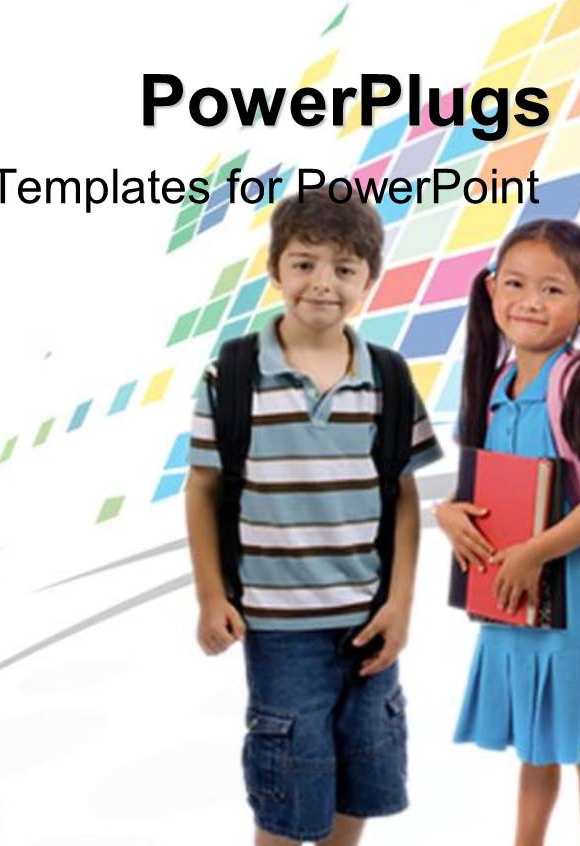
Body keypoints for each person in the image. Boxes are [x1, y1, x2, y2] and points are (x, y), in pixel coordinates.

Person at [186, 193, 442, 845]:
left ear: (368, 281)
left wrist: (400, 605)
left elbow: (403, 495)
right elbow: (203, 487)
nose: (323, 283)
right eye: (304, 264)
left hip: (368, 622)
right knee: (286, 779)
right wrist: (211, 595)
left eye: (344, 268)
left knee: (365, 765)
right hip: (278, 627)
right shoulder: (231, 375)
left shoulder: (388, 377)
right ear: (274, 270)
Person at [435, 219, 580, 846]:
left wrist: (536, 552)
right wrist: (449, 513)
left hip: (570, 592)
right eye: (516, 284)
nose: (530, 302)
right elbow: (485, 485)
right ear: (491, 289)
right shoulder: (494, 385)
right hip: (512, 592)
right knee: (537, 740)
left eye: (552, 290)